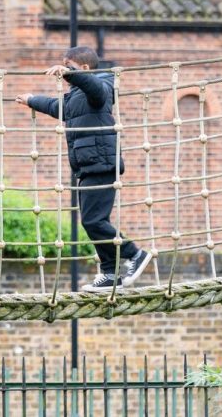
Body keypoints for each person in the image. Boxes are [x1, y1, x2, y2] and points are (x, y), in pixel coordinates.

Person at [16, 46, 152, 292]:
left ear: (84, 69)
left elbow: (95, 89)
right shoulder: (76, 96)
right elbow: (60, 108)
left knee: (93, 220)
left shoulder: (102, 86)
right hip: (88, 165)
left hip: (101, 162)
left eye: (69, 67)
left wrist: (69, 74)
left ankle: (135, 254)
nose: (64, 73)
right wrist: (32, 100)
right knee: (92, 220)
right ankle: (110, 272)